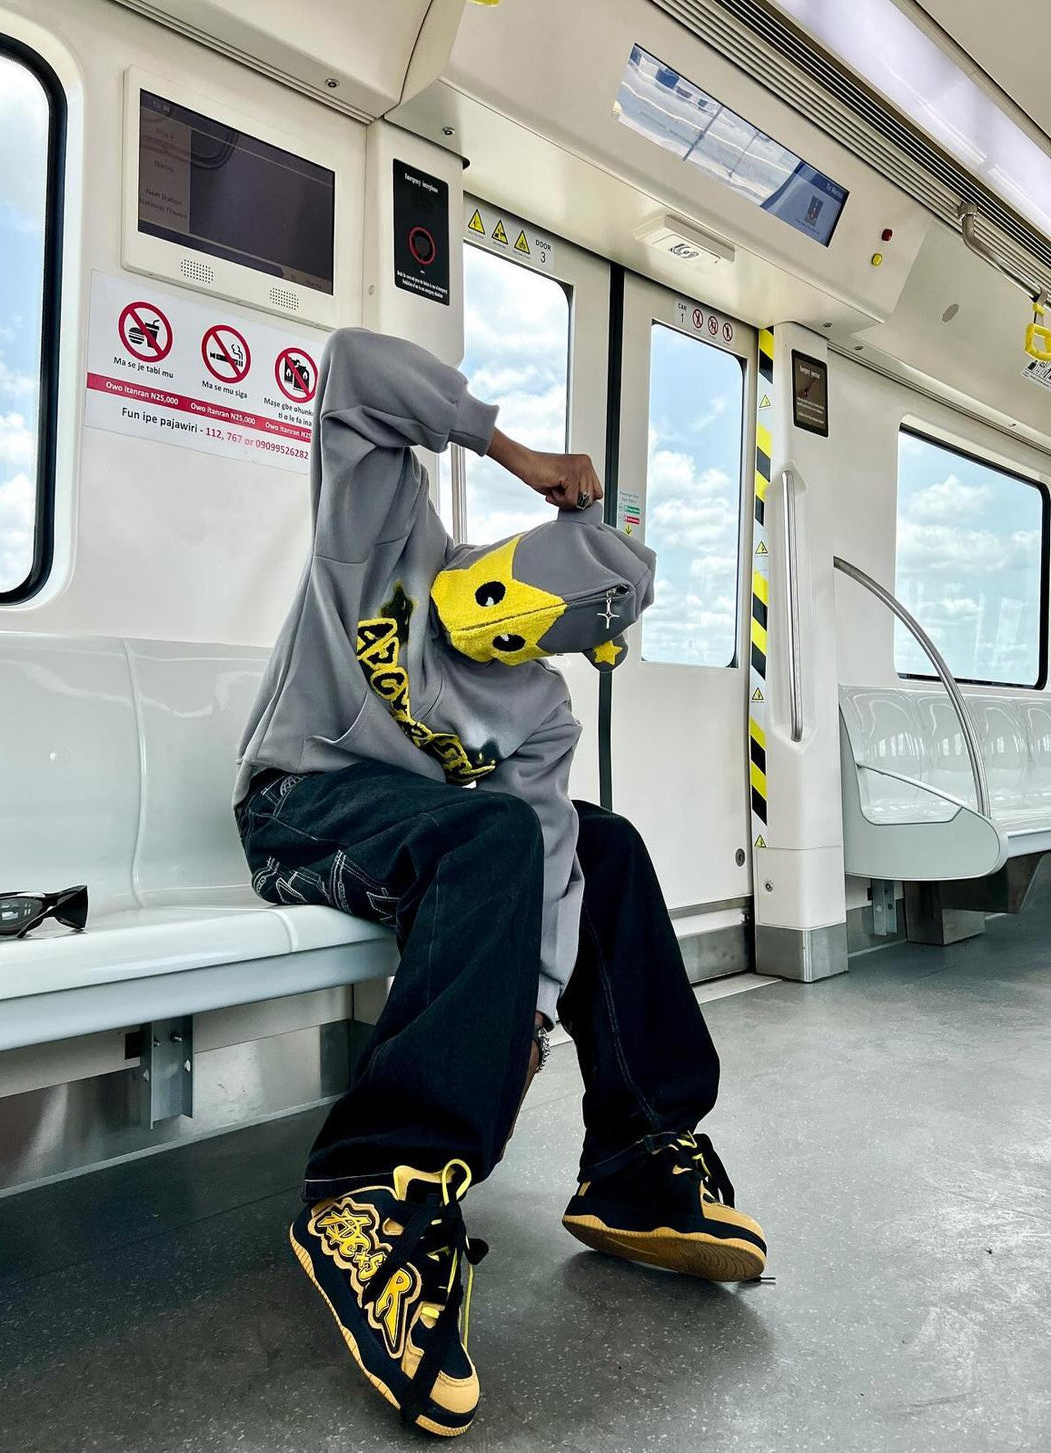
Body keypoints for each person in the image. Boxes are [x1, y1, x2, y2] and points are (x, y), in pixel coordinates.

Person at [234, 327, 766, 1438]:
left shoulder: (536, 713)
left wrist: (524, 1019)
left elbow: (549, 852)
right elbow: (350, 367)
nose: (499, 632)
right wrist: (509, 447)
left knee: (598, 840)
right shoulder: (384, 534)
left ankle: (633, 1150)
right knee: (486, 837)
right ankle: (372, 1188)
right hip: (301, 805)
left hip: (425, 836)